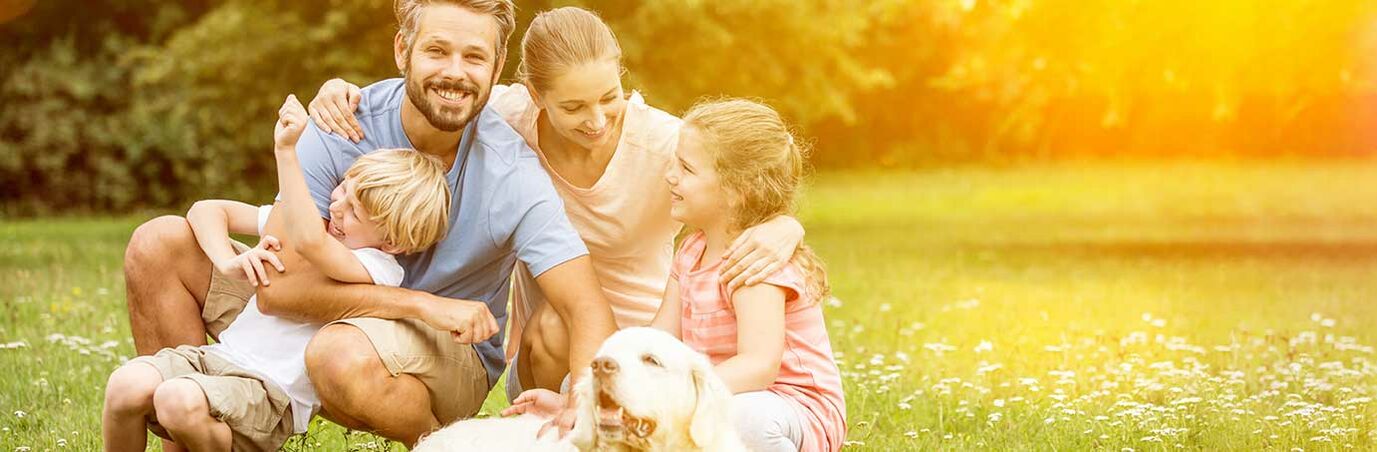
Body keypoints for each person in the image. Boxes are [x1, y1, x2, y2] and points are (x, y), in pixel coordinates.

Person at [122, 0, 617, 445]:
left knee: (337, 352)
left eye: (474, 57)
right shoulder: (342, 124)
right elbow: (277, 292)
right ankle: (192, 429)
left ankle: (438, 447)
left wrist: (582, 404)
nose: (455, 72)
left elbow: (585, 306)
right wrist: (422, 304)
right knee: (158, 244)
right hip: (322, 314)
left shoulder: (510, 171)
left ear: (497, 66)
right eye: (437, 51)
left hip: (441, 353)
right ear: (402, 49)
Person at [308, 6, 808, 408]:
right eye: (572, 107)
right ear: (535, 95)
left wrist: (786, 224)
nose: (597, 121)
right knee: (554, 322)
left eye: (609, 97)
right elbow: (440, 81)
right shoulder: (506, 120)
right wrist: (338, 89)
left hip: (657, 339)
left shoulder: (667, 146)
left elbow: (748, 177)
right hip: (553, 350)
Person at [103, 96, 450, 451]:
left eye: (354, 213)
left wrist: (287, 152)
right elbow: (206, 210)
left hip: (268, 392)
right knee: (124, 387)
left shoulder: (377, 268)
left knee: (178, 402)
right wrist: (227, 260)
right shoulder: (318, 224)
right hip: (218, 359)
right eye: (342, 189)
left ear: (391, 243)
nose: (335, 207)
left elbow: (313, 244)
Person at [649, 99, 845, 452]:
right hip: (720, 393)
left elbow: (758, 366)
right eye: (675, 162)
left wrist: (675, 395)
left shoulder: (756, 263)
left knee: (742, 420)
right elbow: (659, 340)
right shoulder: (690, 252)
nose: (671, 175)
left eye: (687, 169)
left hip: (791, 406)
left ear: (739, 191)